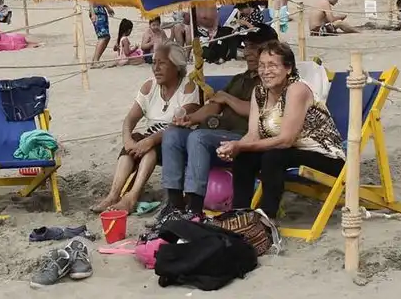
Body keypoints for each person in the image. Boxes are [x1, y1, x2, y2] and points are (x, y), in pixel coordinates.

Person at [159, 25, 279, 217]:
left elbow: (262, 111)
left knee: (199, 138)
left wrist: (228, 99)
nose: (248, 53)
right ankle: (175, 204)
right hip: (219, 135)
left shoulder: (272, 79)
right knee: (172, 133)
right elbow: (215, 105)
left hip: (244, 137)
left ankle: (194, 207)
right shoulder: (240, 79)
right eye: (246, 46)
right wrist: (190, 118)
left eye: (254, 48)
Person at [217, 41, 344, 220]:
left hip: (326, 156)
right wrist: (234, 147)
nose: (265, 71)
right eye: (262, 65)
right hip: (291, 153)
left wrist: (240, 145)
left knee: (273, 156)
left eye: (272, 65)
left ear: (288, 68)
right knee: (244, 156)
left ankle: (267, 218)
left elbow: (286, 140)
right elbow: (253, 135)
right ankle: (240, 214)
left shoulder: (297, 89)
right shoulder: (259, 93)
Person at [92, 44, 198, 214]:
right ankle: (113, 195)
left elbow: (180, 124)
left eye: (162, 63)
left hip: (177, 141)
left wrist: (150, 140)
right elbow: (130, 119)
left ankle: (132, 196)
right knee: (134, 140)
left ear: (177, 66)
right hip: (151, 137)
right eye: (154, 63)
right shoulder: (150, 87)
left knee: (150, 147)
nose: (156, 68)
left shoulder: (188, 87)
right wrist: (127, 140)